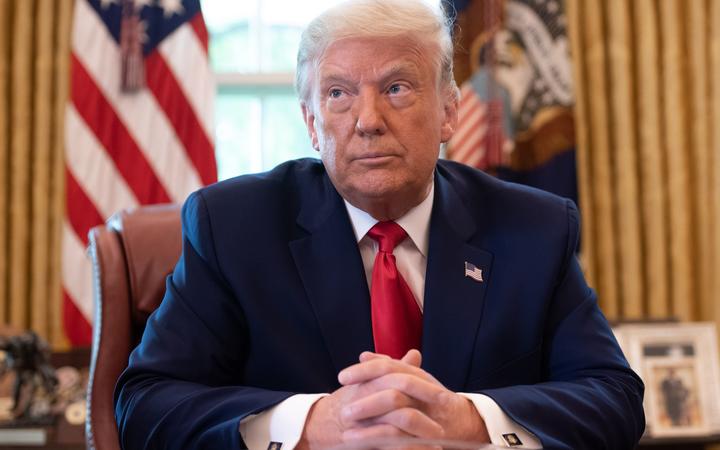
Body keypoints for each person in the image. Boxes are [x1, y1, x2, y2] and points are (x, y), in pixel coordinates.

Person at [114, 0, 645, 448]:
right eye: (338, 93)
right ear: (311, 123)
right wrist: (310, 424)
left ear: (449, 112)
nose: (367, 120)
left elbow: (614, 397)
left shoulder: (534, 227)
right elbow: (146, 402)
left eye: (396, 88)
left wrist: (468, 419)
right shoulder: (231, 226)